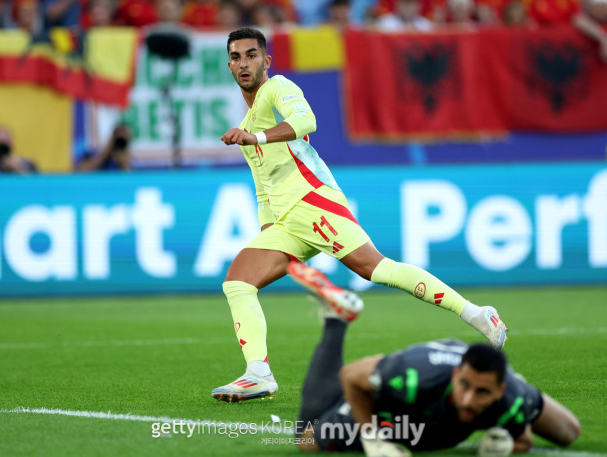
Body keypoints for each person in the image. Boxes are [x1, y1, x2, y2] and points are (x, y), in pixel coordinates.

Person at [212, 27, 507, 403]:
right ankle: (258, 374)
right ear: (229, 65)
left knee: (377, 269)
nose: (243, 63)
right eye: (236, 57)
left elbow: (306, 122)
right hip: (287, 221)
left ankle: (477, 314)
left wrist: (259, 138)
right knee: (238, 282)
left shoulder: (277, 88)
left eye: (251, 55)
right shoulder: (248, 124)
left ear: (265, 61)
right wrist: (267, 234)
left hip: (314, 202)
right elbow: (262, 187)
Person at [294, 298, 581, 455]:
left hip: (494, 386)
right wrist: (373, 439)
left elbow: (523, 440)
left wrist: (504, 445)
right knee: (307, 441)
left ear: (499, 390)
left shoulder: (511, 398)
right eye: (464, 386)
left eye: (481, 392)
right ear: (457, 375)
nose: (468, 400)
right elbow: (352, 375)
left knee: (568, 432)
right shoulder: (413, 377)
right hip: (397, 411)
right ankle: (336, 318)